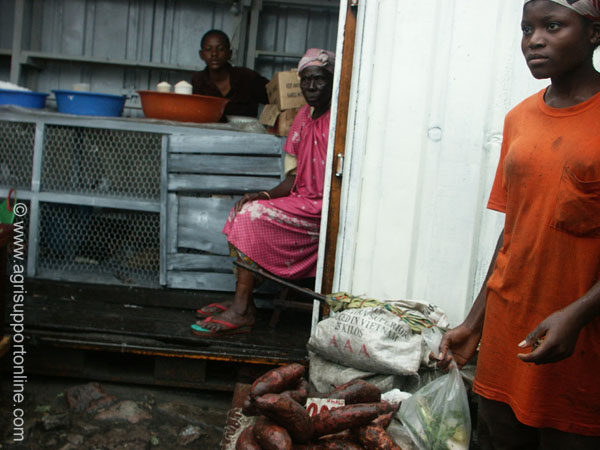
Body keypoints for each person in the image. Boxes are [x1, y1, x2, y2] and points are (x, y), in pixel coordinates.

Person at [436, 1, 600, 448]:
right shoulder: (520, 119)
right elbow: (514, 233)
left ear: (593, 33)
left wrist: (580, 313)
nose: (534, 39)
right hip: (509, 344)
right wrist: (474, 325)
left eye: (552, 25)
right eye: (527, 28)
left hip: (579, 348)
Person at [190, 48, 336, 337]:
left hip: (323, 210)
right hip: (301, 201)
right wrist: (266, 195)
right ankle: (244, 300)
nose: (311, 86)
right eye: (305, 80)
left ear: (332, 80)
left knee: (252, 218)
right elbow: (294, 177)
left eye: (319, 79)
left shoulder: (339, 120)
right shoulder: (304, 117)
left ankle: (242, 309)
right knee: (244, 209)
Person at [190, 29, 269, 118]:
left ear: (230, 54)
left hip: (243, 131)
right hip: (208, 131)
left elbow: (276, 98)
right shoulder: (198, 80)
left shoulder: (247, 77)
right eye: (208, 49)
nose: (214, 54)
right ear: (201, 55)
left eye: (220, 49)